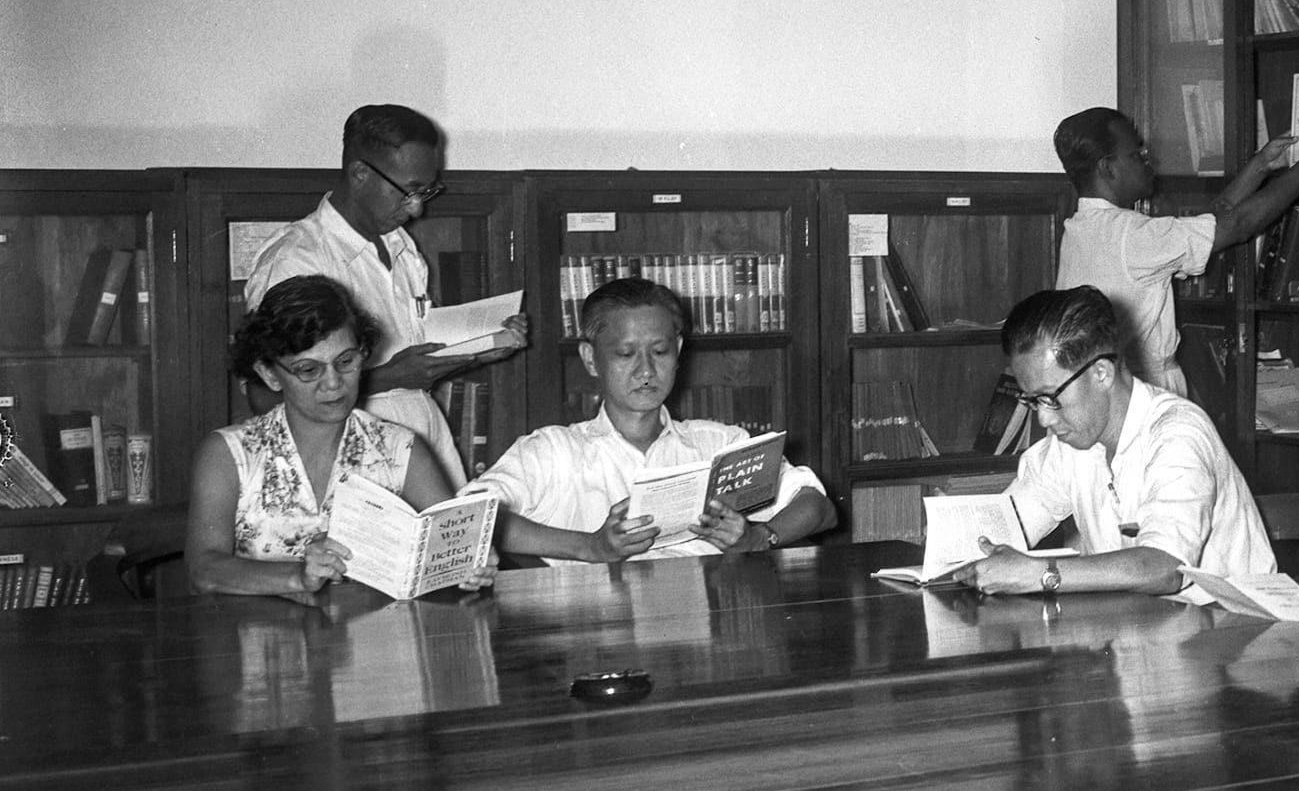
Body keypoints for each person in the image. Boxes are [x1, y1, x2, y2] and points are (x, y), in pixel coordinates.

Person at [243, 104, 528, 482]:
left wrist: (478, 348)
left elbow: (416, 358)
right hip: (350, 466)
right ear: (360, 173)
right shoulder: (298, 260)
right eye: (407, 192)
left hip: (424, 451)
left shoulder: (400, 246)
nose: (416, 208)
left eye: (426, 191)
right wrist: (392, 376)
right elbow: (265, 396)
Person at [477, 276, 834, 562]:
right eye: (625, 354)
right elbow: (472, 519)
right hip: (598, 637)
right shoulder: (553, 452)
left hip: (707, 629)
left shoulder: (719, 445)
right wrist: (589, 547)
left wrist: (760, 537)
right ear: (590, 359)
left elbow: (819, 508)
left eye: (660, 352)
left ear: (677, 351)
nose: (646, 370)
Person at [954, 286, 1274, 595]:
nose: (1044, 419)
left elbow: (1165, 568)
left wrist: (1041, 574)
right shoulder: (1071, 442)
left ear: (1102, 374)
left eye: (1050, 398)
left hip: (1236, 631)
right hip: (1148, 631)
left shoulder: (1178, 432)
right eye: (1033, 401)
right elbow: (1005, 526)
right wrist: (956, 552)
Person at [185, 273, 470, 604]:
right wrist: (297, 578)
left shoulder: (400, 449)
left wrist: (469, 565)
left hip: (374, 643)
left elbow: (454, 548)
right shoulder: (229, 454)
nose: (334, 383)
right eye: (309, 370)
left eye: (346, 361)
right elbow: (203, 569)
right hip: (262, 644)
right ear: (269, 374)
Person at [1053, 105, 1299, 393]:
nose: (1147, 160)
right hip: (1143, 388)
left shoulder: (1083, 228)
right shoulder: (1130, 235)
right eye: (1136, 154)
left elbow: (1207, 226)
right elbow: (1238, 225)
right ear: (1107, 168)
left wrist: (1260, 166)